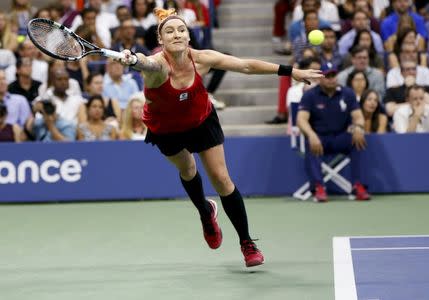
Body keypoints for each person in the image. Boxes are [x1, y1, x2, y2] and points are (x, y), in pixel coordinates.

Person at [116, 8, 323, 267]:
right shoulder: (157, 67)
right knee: (188, 169)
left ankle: (247, 242)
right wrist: (133, 59)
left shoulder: (202, 58)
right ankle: (205, 212)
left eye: (181, 30)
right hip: (165, 128)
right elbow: (145, 63)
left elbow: (246, 66)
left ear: (189, 36)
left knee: (222, 179)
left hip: (200, 120)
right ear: (161, 40)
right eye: (169, 31)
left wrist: (290, 71)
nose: (176, 34)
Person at [297, 63, 370, 202]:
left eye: (333, 75)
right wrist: (311, 135)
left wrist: (359, 128)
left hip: (341, 137)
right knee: (310, 143)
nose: (331, 79)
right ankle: (319, 187)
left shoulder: (347, 93)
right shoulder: (310, 95)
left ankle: (358, 186)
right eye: (327, 76)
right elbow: (301, 120)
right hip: (320, 139)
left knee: (358, 141)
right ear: (320, 78)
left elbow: (358, 117)